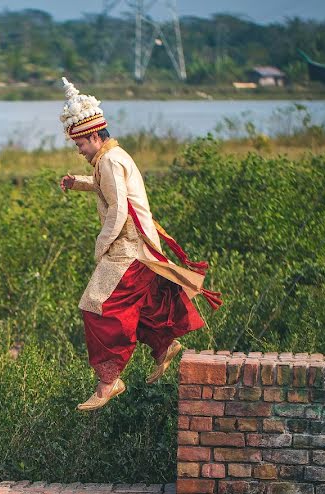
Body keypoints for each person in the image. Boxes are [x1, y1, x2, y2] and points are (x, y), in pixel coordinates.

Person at [57, 77, 222, 411]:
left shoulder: (110, 161)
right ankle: (165, 346)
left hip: (129, 249)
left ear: (93, 136)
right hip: (137, 248)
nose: (78, 150)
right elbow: (110, 189)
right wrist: (79, 184)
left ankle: (108, 381)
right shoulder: (110, 158)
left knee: (96, 306)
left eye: (80, 144)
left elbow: (118, 209)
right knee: (143, 304)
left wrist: (100, 246)